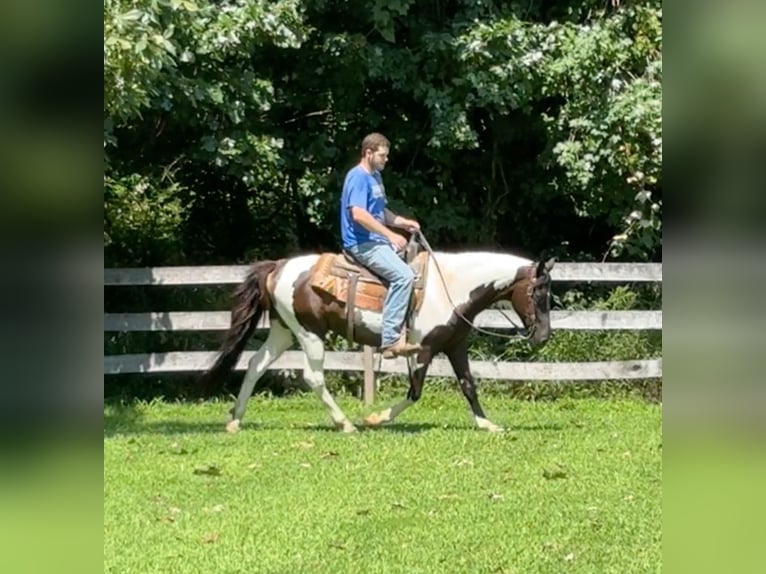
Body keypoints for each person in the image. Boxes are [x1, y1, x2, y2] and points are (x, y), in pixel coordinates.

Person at [339, 132, 422, 358]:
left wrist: (402, 223)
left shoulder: (375, 177)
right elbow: (358, 214)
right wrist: (390, 235)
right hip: (362, 243)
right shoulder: (357, 177)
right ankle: (391, 340)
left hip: (376, 241)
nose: (386, 160)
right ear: (368, 153)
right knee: (403, 276)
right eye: (383, 155)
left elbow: (379, 213)